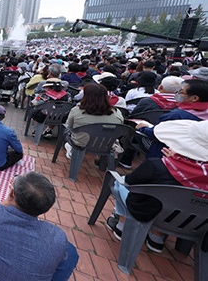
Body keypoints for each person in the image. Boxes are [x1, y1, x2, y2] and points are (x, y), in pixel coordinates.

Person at [107, 120, 208, 253]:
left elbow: (130, 182)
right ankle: (156, 238)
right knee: (175, 200)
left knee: (121, 182)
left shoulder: (158, 166)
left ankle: (122, 226)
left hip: (148, 211)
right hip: (194, 225)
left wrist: (175, 160)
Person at [0, 172, 78, 281]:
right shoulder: (58, 238)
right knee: (70, 252)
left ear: (12, 194)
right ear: (45, 208)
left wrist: (6, 201)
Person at [64, 83, 124, 158]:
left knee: (67, 130)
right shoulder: (117, 112)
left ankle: (71, 149)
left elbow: (69, 126)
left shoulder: (76, 110)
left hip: (81, 143)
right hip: (106, 143)